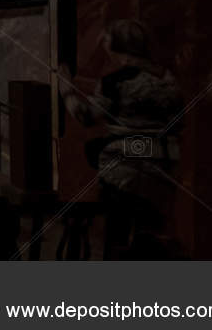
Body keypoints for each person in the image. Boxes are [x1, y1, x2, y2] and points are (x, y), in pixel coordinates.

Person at [61, 19, 184, 258]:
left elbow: (86, 117)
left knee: (117, 227)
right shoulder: (169, 80)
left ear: (117, 47)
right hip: (166, 165)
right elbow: (178, 121)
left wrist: (66, 90)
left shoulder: (115, 81)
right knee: (152, 229)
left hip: (127, 167)